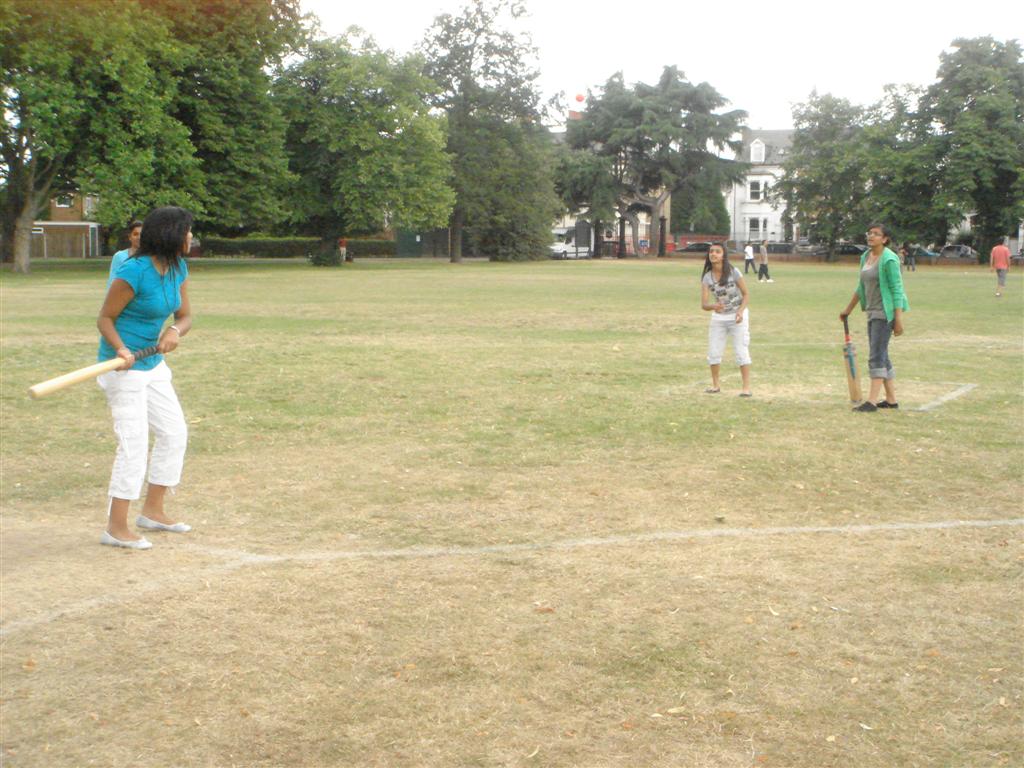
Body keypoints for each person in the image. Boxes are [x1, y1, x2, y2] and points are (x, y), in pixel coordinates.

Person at [96, 206, 194, 549]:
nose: (191, 237)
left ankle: (153, 510)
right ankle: (115, 526)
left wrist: (174, 332)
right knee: (133, 445)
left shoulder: (177, 267)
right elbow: (105, 319)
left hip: (152, 365)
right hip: (122, 369)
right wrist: (121, 350)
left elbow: (185, 316)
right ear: (171, 234)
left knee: (174, 432)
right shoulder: (132, 271)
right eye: (187, 231)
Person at [839, 223, 909, 412]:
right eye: (869, 233)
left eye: (876, 234)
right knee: (882, 354)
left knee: (876, 355)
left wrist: (898, 319)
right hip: (872, 311)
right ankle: (892, 400)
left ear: (885, 239)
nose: (871, 236)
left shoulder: (890, 259)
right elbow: (861, 287)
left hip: (884, 313)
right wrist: (848, 309)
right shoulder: (865, 257)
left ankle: (871, 401)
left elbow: (897, 290)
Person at [701, 242, 752, 396]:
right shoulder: (707, 277)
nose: (713, 254)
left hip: (737, 316)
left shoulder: (733, 272)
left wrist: (741, 312)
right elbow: (703, 304)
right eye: (711, 252)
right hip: (719, 319)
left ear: (723, 255)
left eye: (717, 251)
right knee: (714, 352)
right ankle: (716, 385)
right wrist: (713, 306)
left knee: (741, 351)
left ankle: (746, 388)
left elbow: (746, 294)